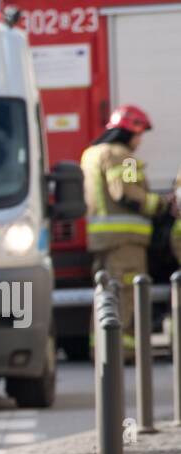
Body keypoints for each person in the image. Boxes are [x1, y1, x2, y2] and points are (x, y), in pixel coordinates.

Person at [80, 105, 169, 333]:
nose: (140, 142)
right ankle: (122, 350)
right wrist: (160, 204)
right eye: (139, 135)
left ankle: (101, 347)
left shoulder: (92, 154)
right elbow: (126, 193)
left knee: (106, 296)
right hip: (125, 242)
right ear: (130, 132)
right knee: (126, 293)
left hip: (103, 239)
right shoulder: (124, 157)